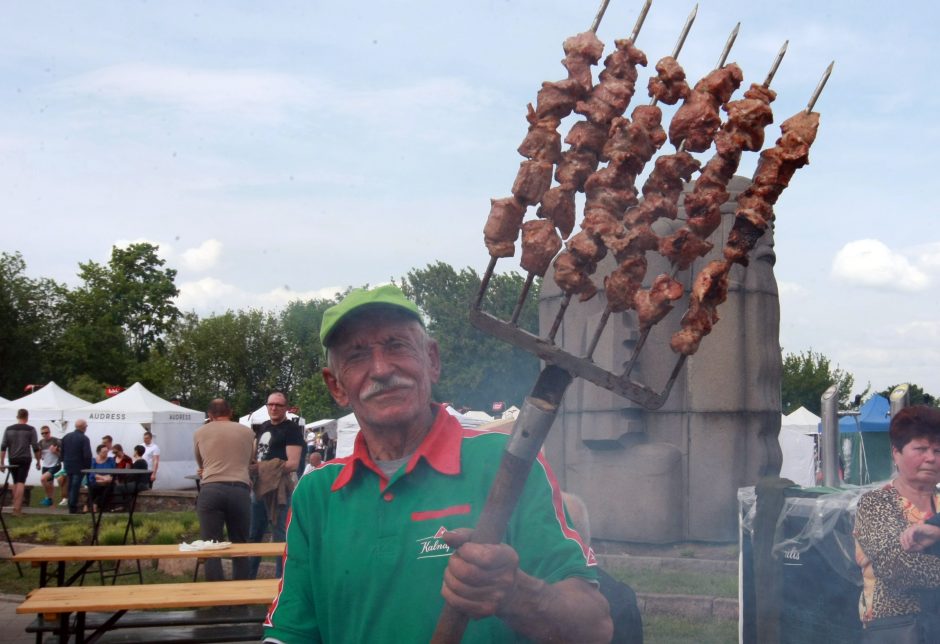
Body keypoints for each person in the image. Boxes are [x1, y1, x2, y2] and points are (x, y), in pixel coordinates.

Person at [263, 285, 611, 643]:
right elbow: (291, 632)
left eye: (397, 345)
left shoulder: (504, 464)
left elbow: (595, 627)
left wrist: (518, 595)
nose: (381, 369)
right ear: (336, 386)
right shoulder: (317, 494)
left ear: (432, 360)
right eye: (357, 355)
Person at [854, 405, 940, 641]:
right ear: (896, 453)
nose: (931, 458)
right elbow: (897, 568)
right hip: (898, 629)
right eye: (921, 448)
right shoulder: (876, 503)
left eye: (938, 450)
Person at [193, 398, 255, 581]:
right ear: (231, 411)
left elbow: (201, 464)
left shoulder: (200, 432)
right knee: (241, 545)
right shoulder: (248, 432)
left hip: (211, 488)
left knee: (211, 545)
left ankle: (216, 593)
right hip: (240, 489)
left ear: (210, 415)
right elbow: (249, 461)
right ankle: (241, 593)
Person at [248, 391, 303, 579]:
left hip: (280, 488)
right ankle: (248, 580)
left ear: (286, 408)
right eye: (270, 404)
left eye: (278, 405)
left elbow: (293, 463)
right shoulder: (263, 426)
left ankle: (282, 582)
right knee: (254, 534)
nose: (274, 408)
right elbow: (255, 454)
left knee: (281, 536)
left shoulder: (292, 429)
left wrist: (262, 468)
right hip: (259, 487)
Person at [1, 409, 41, 517]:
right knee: (21, 482)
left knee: (15, 482)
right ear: (27, 417)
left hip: (12, 458)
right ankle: (17, 509)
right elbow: (35, 447)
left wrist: (1, 462)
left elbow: (3, 447)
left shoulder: (8, 429)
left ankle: (15, 505)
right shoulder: (31, 429)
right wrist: (38, 461)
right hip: (24, 459)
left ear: (17, 416)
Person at [61, 419, 93, 514]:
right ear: (83, 427)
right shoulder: (84, 439)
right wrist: (88, 467)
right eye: (86, 426)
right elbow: (87, 455)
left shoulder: (66, 437)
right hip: (79, 466)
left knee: (70, 485)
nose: (86, 427)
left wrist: (64, 461)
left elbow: (62, 452)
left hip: (68, 464)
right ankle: (72, 506)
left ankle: (71, 505)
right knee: (75, 486)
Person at [38, 425, 63, 507]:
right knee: (50, 484)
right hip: (45, 465)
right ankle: (51, 503)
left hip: (55, 465)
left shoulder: (56, 441)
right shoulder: (41, 442)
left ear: (49, 432)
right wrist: (38, 459)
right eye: (43, 433)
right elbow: (40, 456)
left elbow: (62, 455)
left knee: (43, 479)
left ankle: (48, 498)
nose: (45, 435)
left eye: (46, 433)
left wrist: (55, 451)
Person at [86, 444, 116, 512]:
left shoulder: (110, 460)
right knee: (95, 487)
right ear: (99, 452)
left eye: (106, 451)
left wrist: (108, 478)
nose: (106, 453)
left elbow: (113, 472)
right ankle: (91, 505)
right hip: (96, 480)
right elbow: (92, 473)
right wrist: (102, 477)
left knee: (107, 488)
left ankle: (94, 504)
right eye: (104, 452)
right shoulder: (93, 461)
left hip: (108, 481)